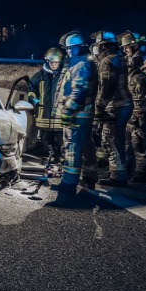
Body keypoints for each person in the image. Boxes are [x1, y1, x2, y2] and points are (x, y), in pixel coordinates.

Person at [52, 31, 99, 193]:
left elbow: (78, 91)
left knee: (72, 148)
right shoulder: (79, 63)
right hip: (82, 114)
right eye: (68, 48)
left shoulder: (80, 65)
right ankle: (89, 178)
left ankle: (69, 183)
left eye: (73, 48)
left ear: (81, 47)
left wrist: (68, 110)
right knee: (85, 146)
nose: (70, 51)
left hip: (77, 114)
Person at [90, 31, 133, 187]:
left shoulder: (106, 61)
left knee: (110, 138)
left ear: (103, 47)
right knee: (118, 139)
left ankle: (118, 176)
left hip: (115, 105)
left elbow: (106, 87)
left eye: (98, 46)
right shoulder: (120, 58)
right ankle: (119, 172)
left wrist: (99, 109)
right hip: (125, 104)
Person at [119, 30, 146, 184]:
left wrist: (139, 78)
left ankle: (142, 172)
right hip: (129, 108)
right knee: (127, 142)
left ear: (135, 46)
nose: (124, 49)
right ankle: (128, 170)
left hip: (143, 109)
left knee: (139, 142)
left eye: (126, 46)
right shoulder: (127, 62)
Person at [26, 47, 65, 167]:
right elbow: (31, 90)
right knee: (45, 139)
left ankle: (61, 159)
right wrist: (34, 100)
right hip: (44, 115)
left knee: (60, 140)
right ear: (47, 61)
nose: (54, 65)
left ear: (60, 62)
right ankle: (50, 157)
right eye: (52, 62)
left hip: (59, 116)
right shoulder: (39, 76)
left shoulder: (65, 75)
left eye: (56, 62)